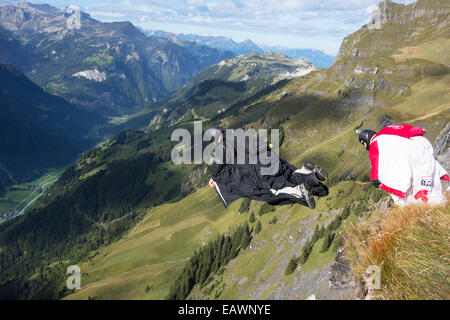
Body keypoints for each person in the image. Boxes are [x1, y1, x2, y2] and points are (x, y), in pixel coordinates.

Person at [207, 127, 329, 209]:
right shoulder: (240, 135)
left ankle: (298, 191)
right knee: (289, 176)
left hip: (262, 168)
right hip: (273, 157)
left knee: (273, 192)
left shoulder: (224, 142)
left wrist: (214, 177)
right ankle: (306, 171)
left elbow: (220, 160)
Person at [358, 124, 449, 206]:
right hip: (421, 145)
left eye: (363, 144)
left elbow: (376, 161)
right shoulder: (387, 130)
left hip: (410, 156)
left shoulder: (375, 143)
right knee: (429, 174)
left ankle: (426, 205)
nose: (365, 146)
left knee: (411, 184)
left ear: (365, 140)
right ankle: (444, 194)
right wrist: (420, 130)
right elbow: (406, 129)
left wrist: (375, 179)